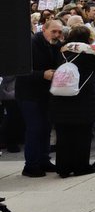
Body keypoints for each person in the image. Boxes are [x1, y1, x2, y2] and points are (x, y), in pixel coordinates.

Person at [50, 26, 95, 177]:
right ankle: (81, 166)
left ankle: (63, 168)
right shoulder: (89, 52)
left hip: (60, 98)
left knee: (64, 134)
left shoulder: (62, 50)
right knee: (82, 134)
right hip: (82, 98)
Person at [17, 19, 62, 177]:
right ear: (44, 29)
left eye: (59, 32)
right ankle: (31, 165)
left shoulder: (55, 45)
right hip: (29, 94)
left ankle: (43, 159)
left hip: (46, 94)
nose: (56, 34)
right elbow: (21, 70)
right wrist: (42, 74)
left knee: (45, 128)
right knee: (34, 129)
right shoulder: (31, 44)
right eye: (54, 31)